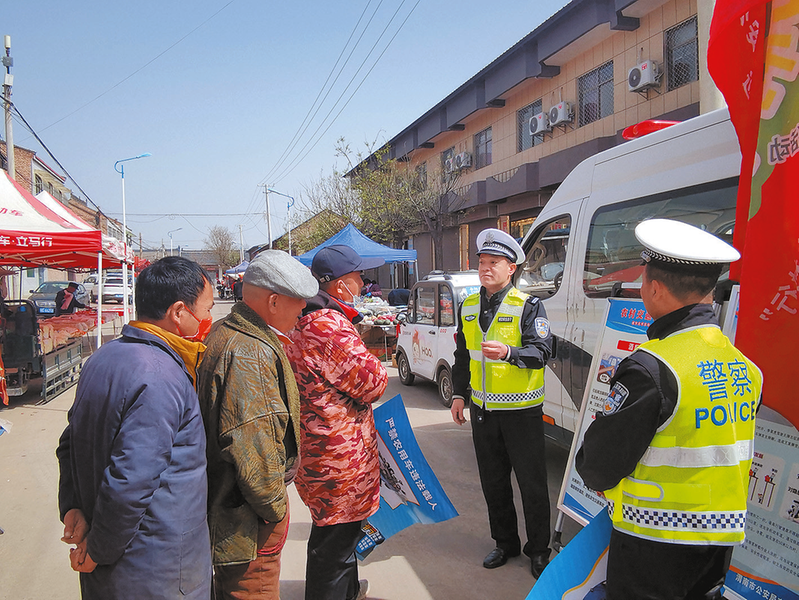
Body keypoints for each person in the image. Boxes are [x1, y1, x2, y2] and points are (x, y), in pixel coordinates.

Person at [575, 219, 763, 600]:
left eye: (643, 281)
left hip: (653, 543)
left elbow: (597, 465)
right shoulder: (746, 366)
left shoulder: (653, 368)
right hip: (717, 546)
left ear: (655, 290)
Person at [56, 256, 214, 599]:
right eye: (206, 309)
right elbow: (129, 481)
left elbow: (70, 443)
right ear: (178, 312)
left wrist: (72, 506)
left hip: (118, 563)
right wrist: (98, 549)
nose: (209, 320)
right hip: (155, 571)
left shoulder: (103, 357)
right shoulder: (160, 376)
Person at [197, 250, 318, 600]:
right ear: (275, 301)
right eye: (298, 303)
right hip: (248, 524)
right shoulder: (251, 352)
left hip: (229, 511)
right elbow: (254, 447)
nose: (302, 311)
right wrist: (274, 510)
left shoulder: (226, 330)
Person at [285, 244, 388, 600]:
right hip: (336, 457)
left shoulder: (306, 318)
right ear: (340, 284)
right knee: (334, 546)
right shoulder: (328, 326)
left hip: (321, 450)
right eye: (358, 276)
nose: (363, 282)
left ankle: (345, 592)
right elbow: (374, 382)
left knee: (337, 542)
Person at [450, 228, 553, 578]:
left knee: (532, 484)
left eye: (494, 263)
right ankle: (505, 543)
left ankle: (538, 550)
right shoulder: (468, 306)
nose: (485, 268)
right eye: (481, 262)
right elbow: (462, 355)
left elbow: (542, 352)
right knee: (493, 482)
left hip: (522, 413)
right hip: (483, 412)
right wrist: (459, 395)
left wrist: (510, 353)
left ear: (511, 269)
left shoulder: (528, 305)